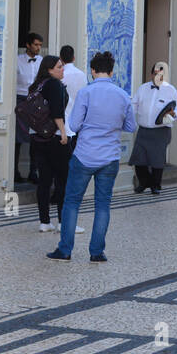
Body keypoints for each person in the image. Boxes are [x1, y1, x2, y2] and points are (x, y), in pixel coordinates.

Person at [48, 51, 136, 263]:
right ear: (112, 71)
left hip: (85, 155)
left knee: (71, 202)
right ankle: (97, 252)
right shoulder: (123, 95)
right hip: (110, 158)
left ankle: (65, 249)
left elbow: (75, 125)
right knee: (103, 204)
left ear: (93, 70)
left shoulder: (86, 93)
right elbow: (131, 126)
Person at [24, 54, 79, 234]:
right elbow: (57, 113)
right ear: (49, 69)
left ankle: (44, 222)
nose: (62, 70)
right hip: (55, 137)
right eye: (59, 67)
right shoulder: (54, 84)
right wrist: (63, 133)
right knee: (64, 180)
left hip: (38, 138)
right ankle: (64, 222)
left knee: (45, 181)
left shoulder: (36, 85)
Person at [130, 61, 177, 194]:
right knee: (139, 159)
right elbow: (134, 105)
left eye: (160, 74)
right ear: (151, 74)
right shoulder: (142, 88)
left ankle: (156, 185)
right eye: (155, 73)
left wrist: (173, 114)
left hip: (161, 131)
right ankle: (144, 182)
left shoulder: (171, 90)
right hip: (143, 130)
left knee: (157, 160)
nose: (157, 76)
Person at [14, 32, 44, 183]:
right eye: (36, 44)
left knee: (35, 138)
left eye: (40, 45)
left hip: (36, 101)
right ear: (28, 45)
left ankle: (34, 172)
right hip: (20, 99)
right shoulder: (17, 60)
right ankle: (14, 172)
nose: (38, 48)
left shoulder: (42, 61)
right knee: (18, 138)